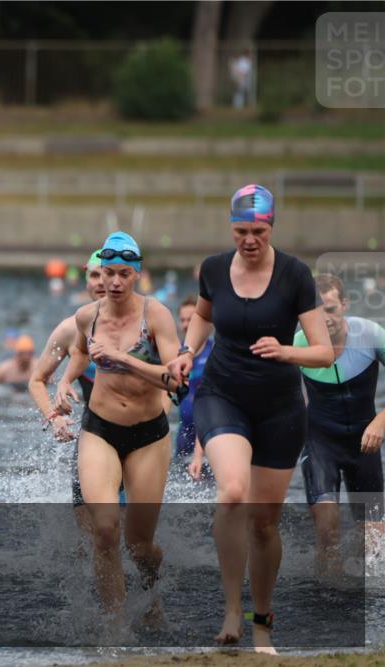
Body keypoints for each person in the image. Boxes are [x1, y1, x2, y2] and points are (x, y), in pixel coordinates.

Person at [167, 184, 333, 652]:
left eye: (258, 231)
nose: (249, 240)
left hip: (280, 408)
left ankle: (262, 619)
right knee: (233, 491)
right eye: (241, 231)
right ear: (231, 228)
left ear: (271, 226)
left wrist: (286, 350)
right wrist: (186, 351)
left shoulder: (295, 275)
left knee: (264, 522)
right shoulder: (215, 269)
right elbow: (202, 316)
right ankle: (231, 611)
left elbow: (324, 352)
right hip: (223, 395)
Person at [53, 232, 182, 622]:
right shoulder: (87, 315)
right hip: (100, 430)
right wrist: (62, 382)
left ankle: (151, 591)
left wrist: (123, 360)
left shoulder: (155, 315)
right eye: (108, 272)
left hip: (148, 436)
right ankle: (116, 624)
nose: (114, 282)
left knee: (140, 545)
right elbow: (78, 351)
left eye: (124, 274)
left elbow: (175, 380)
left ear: (137, 275)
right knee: (105, 532)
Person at [295, 273, 385, 576]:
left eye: (330, 309)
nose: (324, 319)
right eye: (316, 311)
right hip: (321, 444)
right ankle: (326, 597)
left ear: (344, 305)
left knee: (373, 546)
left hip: (365, 444)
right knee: (327, 532)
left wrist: (380, 421)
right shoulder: (299, 342)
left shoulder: (370, 334)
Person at [30, 251, 107, 529]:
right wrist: (55, 416)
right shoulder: (68, 329)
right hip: (94, 432)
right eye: (94, 275)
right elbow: (37, 379)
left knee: (135, 537)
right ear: (85, 280)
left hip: (140, 434)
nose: (101, 282)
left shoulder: (146, 324)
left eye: (107, 274)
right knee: (88, 529)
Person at [176, 294, 214, 464]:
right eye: (182, 320)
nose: (185, 325)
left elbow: (210, 404)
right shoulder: (176, 353)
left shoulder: (214, 352)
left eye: (190, 320)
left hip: (209, 436)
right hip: (183, 436)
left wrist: (199, 454)